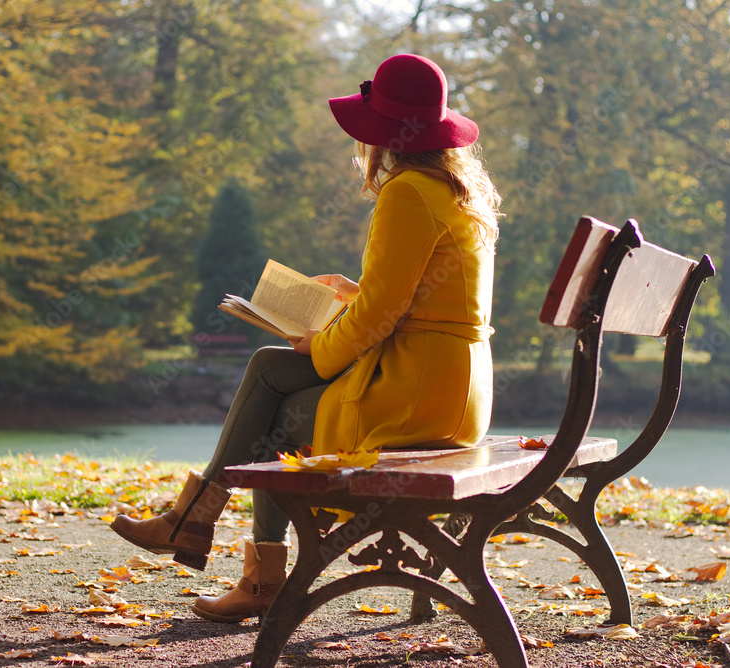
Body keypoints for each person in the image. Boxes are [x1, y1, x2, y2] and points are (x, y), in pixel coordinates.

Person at [110, 53, 502, 623]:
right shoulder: (457, 191)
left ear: (385, 136)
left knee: (278, 413)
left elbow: (378, 320)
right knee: (271, 368)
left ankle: (232, 552)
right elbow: (415, 299)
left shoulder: (408, 192)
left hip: (419, 392)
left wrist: (319, 346)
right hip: (454, 387)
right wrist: (354, 292)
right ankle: (197, 522)